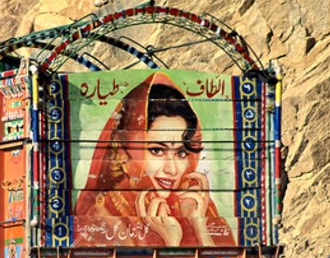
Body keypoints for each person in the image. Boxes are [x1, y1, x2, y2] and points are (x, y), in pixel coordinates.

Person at [74, 72, 234, 247]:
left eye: (181, 153)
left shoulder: (194, 206)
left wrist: (199, 226)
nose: (172, 170)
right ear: (124, 149)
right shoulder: (102, 216)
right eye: (157, 150)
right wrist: (171, 243)